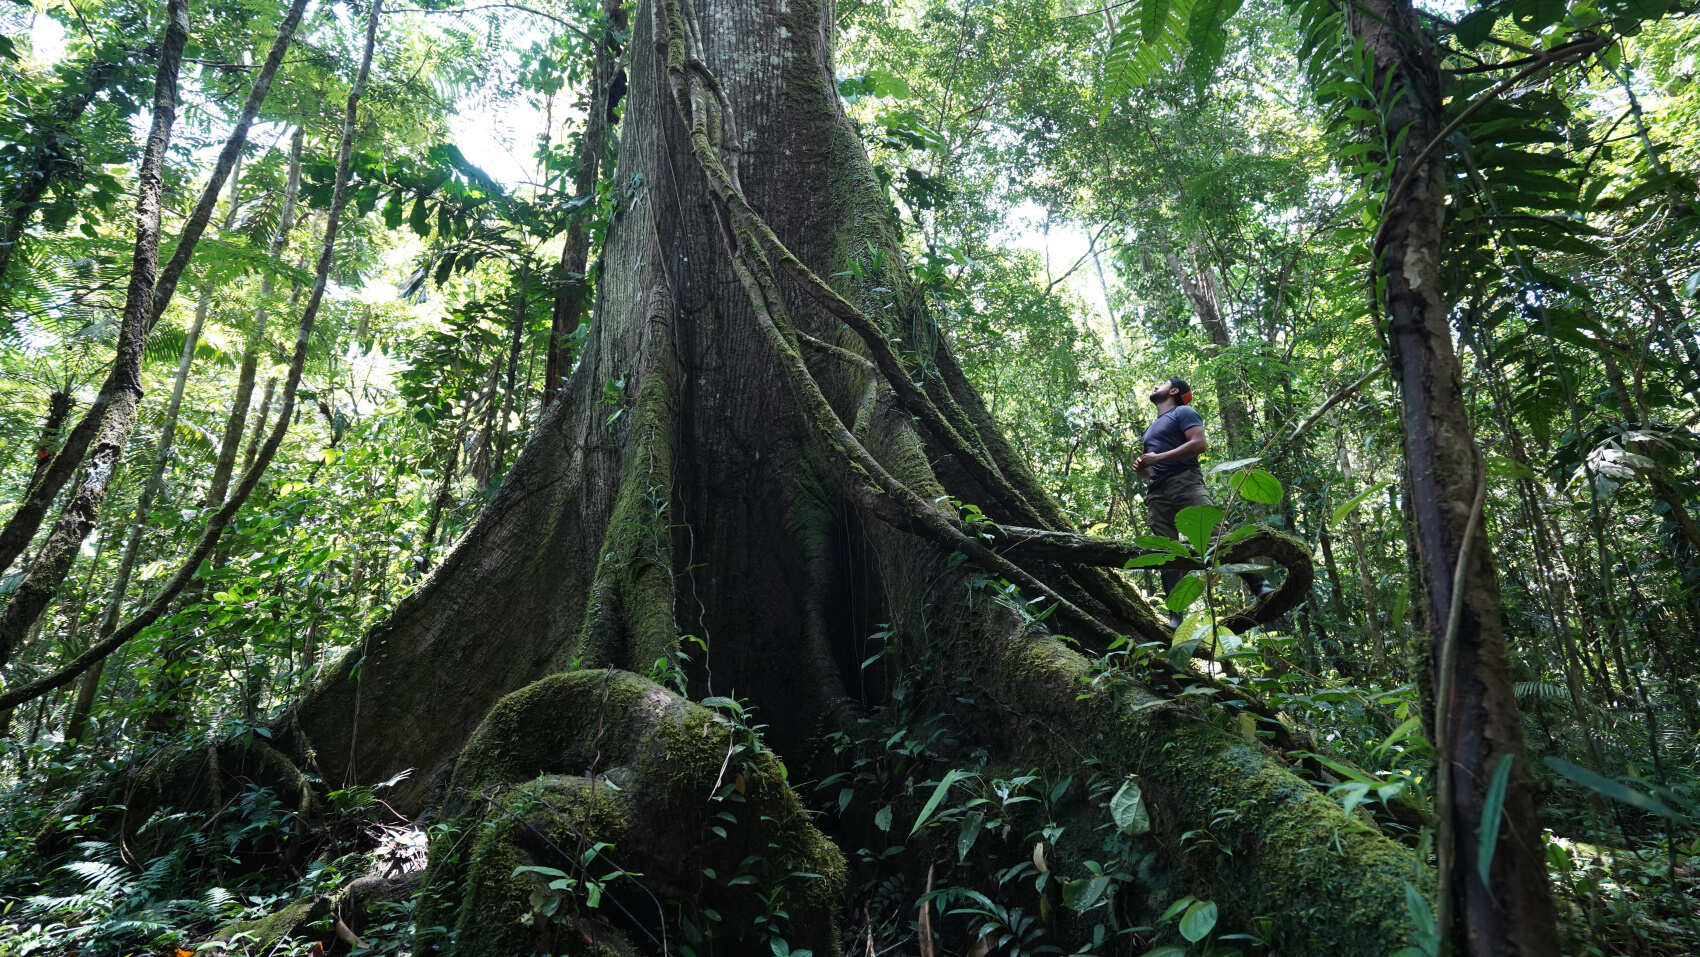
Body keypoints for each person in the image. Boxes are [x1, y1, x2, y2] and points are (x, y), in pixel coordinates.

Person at [1133, 377, 1268, 629]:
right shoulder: (1150, 429)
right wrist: (1143, 469)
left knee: (1216, 536)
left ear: (1173, 390)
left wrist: (1157, 457)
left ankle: (1259, 585)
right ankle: (1175, 616)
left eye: (1161, 383)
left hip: (1186, 483)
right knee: (1166, 551)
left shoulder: (1183, 412)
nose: (1154, 386)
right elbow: (1152, 470)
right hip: (1157, 494)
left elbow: (1198, 444)